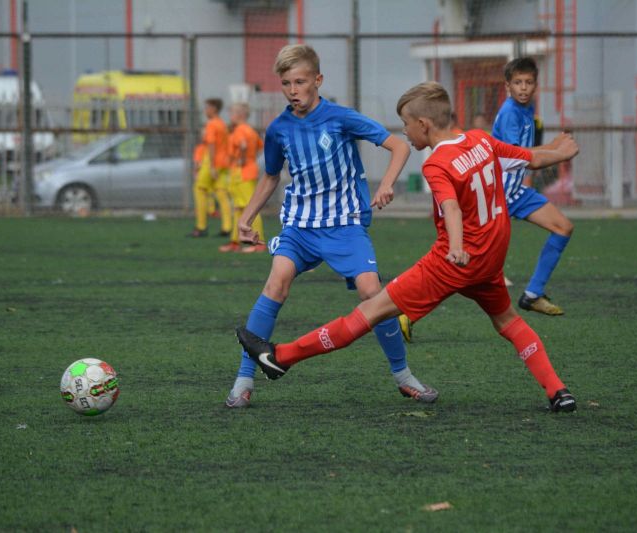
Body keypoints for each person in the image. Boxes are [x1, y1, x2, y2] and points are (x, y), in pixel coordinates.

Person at [237, 81, 580, 413]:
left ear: (424, 124)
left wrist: (456, 247)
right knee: (508, 321)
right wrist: (559, 152)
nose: (404, 131)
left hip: (452, 263)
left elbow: (451, 208)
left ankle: (281, 357)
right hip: (489, 262)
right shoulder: (481, 140)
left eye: (405, 124)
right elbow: (531, 159)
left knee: (369, 311)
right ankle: (558, 391)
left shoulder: (436, 163)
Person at [225, 44, 436, 408]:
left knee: (373, 293)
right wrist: (245, 217)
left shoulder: (341, 118)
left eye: (300, 82)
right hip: (300, 227)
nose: (293, 90)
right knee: (276, 283)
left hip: (344, 225)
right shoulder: (278, 129)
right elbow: (271, 176)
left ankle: (403, 376)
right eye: (286, 83)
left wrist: (386, 184)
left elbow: (399, 147)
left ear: (318, 80)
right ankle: (244, 380)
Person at [492, 57, 574, 316]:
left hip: (514, 192)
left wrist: (552, 147)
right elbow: (517, 157)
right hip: (495, 195)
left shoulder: (528, 107)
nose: (523, 87)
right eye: (518, 82)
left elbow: (524, 155)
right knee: (463, 267)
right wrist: (556, 150)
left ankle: (533, 294)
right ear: (507, 86)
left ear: (536, 85)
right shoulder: (510, 113)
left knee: (563, 227)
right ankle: (408, 310)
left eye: (528, 82)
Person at [218, 103, 266, 253]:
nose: (230, 116)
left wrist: (242, 160)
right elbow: (260, 146)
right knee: (239, 208)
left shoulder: (240, 130)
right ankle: (235, 242)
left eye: (232, 113)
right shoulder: (251, 130)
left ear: (239, 115)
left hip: (242, 173)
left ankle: (259, 243)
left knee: (250, 207)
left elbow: (243, 145)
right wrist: (251, 159)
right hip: (248, 170)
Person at [189, 98, 232, 238]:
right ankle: (227, 227)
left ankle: (201, 227)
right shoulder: (222, 124)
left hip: (212, 162)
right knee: (221, 193)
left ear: (214, 108)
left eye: (207, 107)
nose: (205, 110)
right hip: (223, 163)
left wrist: (212, 166)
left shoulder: (212, 124)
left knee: (199, 189)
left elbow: (211, 145)